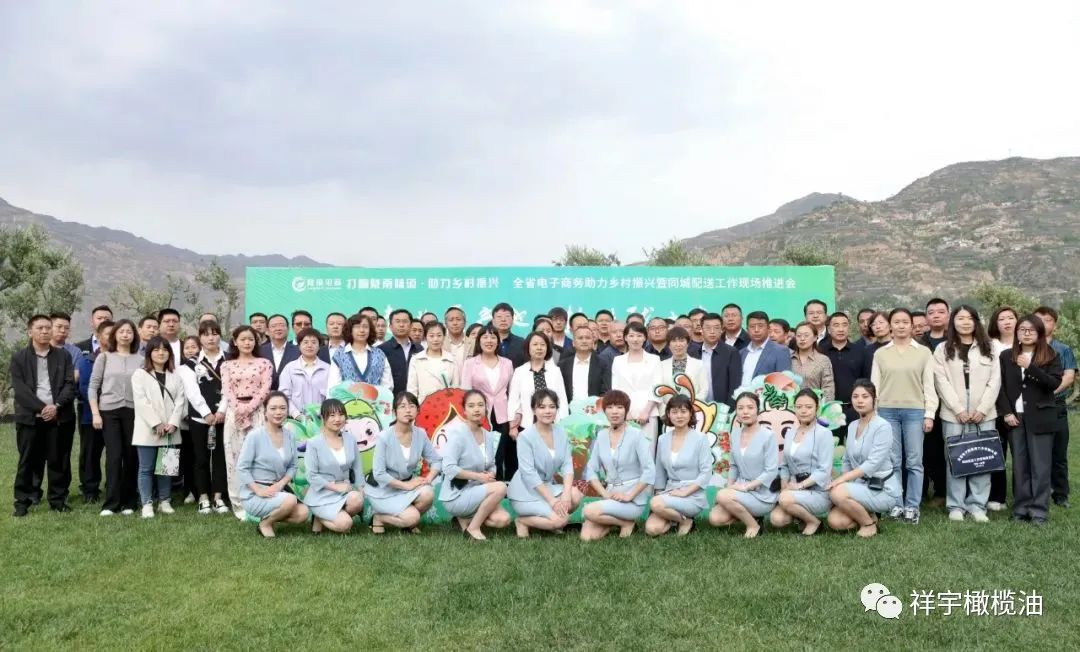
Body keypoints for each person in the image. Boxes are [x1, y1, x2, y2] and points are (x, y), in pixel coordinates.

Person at [933, 305, 1000, 522]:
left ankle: (977, 505)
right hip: (953, 413)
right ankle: (956, 505)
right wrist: (958, 409)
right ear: (953, 322)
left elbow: (995, 381)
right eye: (960, 318)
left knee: (982, 457)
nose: (965, 322)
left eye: (970, 318)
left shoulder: (989, 347)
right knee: (955, 458)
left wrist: (983, 409)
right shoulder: (942, 349)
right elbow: (941, 381)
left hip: (984, 412)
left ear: (976, 322)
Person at [871, 308, 937, 524]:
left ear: (912, 325)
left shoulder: (924, 352)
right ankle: (896, 504)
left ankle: (912, 506)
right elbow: (874, 386)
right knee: (893, 461)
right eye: (896, 322)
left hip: (915, 411)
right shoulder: (881, 354)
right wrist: (874, 413)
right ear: (890, 325)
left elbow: (929, 386)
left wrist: (929, 414)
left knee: (915, 461)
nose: (901, 326)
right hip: (886, 412)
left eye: (905, 322)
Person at [997, 315, 1064, 526]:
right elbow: (1000, 386)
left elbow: (1054, 383)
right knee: (1020, 465)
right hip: (1015, 417)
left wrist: (1031, 366)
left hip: (1040, 417)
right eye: (1022, 329)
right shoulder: (1006, 356)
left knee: (1040, 466)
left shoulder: (1050, 355)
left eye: (1031, 330)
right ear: (1016, 332)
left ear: (1039, 333)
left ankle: (1039, 511)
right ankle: (1021, 508)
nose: (1026, 333)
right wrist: (1006, 412)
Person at [10, 315, 77, 516]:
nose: (45, 331)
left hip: (58, 417)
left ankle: (57, 500)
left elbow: (69, 384)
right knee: (28, 461)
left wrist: (56, 406)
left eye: (48, 328)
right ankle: (22, 502)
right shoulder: (19, 358)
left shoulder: (63, 356)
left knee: (58, 460)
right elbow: (21, 391)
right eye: (40, 328)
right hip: (30, 418)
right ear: (30, 332)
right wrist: (42, 408)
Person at [826, 380, 899, 538]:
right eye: (855, 396)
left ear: (874, 400)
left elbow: (872, 464)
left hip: (883, 489)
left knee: (837, 492)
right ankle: (870, 516)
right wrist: (843, 481)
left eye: (865, 396)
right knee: (835, 521)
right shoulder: (852, 425)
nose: (860, 400)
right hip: (860, 486)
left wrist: (841, 481)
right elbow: (847, 460)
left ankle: (869, 525)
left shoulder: (883, 426)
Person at [507, 389, 584, 538]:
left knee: (575, 495)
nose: (547, 411)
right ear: (533, 410)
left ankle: (549, 520)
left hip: (547, 486)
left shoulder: (561, 432)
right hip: (525, 491)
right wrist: (553, 501)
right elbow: (529, 474)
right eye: (542, 407)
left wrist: (566, 494)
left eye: (552, 406)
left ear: (557, 409)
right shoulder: (525, 437)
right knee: (560, 521)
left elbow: (567, 464)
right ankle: (522, 521)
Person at [581, 390, 655, 540]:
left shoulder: (636, 435)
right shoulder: (601, 435)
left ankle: (626, 522)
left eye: (620, 407)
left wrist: (629, 496)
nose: (614, 412)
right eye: (610, 407)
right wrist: (605, 494)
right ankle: (622, 522)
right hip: (611, 495)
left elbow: (649, 471)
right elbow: (591, 470)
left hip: (633, 499)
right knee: (586, 537)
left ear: (626, 410)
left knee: (588, 511)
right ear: (604, 411)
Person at [439, 390, 512, 541]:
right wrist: (478, 477)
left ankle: (464, 520)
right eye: (471, 406)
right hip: (457, 495)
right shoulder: (457, 434)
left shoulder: (488, 435)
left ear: (486, 408)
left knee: (503, 519)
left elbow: (491, 464)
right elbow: (448, 468)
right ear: (464, 411)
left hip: (478, 491)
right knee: (501, 487)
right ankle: (473, 528)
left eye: (480, 405)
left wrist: (491, 474)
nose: (477, 409)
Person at [367, 392, 442, 533]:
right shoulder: (384, 437)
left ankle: (407, 521)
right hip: (383, 490)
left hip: (406, 487)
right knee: (413, 518)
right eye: (402, 406)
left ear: (417, 410)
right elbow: (379, 474)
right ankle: (379, 518)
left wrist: (428, 479)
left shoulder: (420, 434)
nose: (408, 410)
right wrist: (406, 485)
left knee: (428, 494)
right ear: (395, 412)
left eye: (412, 406)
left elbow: (436, 460)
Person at [89, 319, 143, 516]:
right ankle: (111, 503)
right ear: (115, 335)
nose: (125, 335)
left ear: (134, 336)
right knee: (114, 456)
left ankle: (129, 502)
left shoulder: (140, 360)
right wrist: (96, 413)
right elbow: (93, 386)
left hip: (133, 412)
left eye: (129, 331)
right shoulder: (104, 357)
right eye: (121, 331)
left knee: (131, 456)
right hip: (109, 412)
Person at [236, 392, 309, 536]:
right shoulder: (255, 436)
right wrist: (258, 490)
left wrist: (281, 484)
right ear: (265, 411)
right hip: (255, 494)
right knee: (290, 500)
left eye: (282, 408)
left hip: (277, 491)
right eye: (273, 408)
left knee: (303, 513)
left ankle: (268, 518)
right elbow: (242, 468)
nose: (278, 412)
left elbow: (293, 466)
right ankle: (265, 524)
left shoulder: (290, 435)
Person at [177, 320, 230, 515]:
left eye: (215, 334)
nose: (211, 338)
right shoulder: (189, 365)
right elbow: (192, 392)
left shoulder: (230, 360)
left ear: (220, 336)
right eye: (206, 334)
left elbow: (230, 389)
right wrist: (206, 413)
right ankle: (203, 497)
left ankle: (218, 497)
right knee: (200, 458)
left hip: (223, 417)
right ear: (200, 338)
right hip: (200, 419)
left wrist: (221, 411)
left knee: (220, 458)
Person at [709, 392, 779, 538]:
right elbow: (733, 465)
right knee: (715, 518)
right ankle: (751, 516)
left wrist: (745, 487)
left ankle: (753, 525)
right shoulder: (735, 434)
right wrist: (729, 487)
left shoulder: (768, 436)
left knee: (722, 496)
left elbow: (771, 471)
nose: (745, 412)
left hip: (762, 494)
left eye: (750, 407)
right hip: (740, 489)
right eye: (740, 408)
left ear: (758, 410)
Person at [222, 325, 273, 520]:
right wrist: (239, 409)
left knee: (258, 457)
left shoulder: (264, 363)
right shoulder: (227, 365)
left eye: (251, 339)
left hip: (258, 412)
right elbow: (227, 390)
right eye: (243, 339)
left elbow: (265, 388)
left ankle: (260, 501)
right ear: (235, 342)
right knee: (234, 458)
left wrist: (249, 408)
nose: (247, 342)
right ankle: (239, 504)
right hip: (234, 414)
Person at [131, 337, 186, 518]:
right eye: (156, 350)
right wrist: (156, 423)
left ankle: (165, 501)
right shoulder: (140, 375)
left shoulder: (175, 376)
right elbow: (141, 402)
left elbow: (180, 401)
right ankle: (147, 503)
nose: (161, 353)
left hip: (170, 430)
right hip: (148, 430)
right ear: (149, 353)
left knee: (166, 468)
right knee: (146, 468)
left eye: (164, 349)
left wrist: (173, 423)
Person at [770, 389, 835, 535]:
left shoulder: (824, 434)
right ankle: (802, 517)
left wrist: (799, 486)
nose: (803, 411)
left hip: (818, 492)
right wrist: (784, 486)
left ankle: (814, 522)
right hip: (794, 489)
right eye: (799, 407)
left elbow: (824, 470)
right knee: (777, 519)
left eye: (808, 407)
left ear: (817, 408)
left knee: (785, 499)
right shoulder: (790, 433)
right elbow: (784, 465)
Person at [645, 396, 712, 536]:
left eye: (683, 411)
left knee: (656, 504)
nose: (679, 416)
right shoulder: (663, 439)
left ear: (690, 413)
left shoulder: (700, 438)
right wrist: (659, 493)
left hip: (692, 495)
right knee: (652, 529)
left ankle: (685, 520)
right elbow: (660, 471)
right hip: (670, 492)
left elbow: (706, 473)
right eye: (674, 412)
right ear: (668, 414)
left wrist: (685, 492)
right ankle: (680, 519)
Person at [1034, 306, 1076, 509]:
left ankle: (1060, 493)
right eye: (1038, 319)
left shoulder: (1063, 349)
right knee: (1035, 453)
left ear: (1055, 325)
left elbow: (1068, 377)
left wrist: (1049, 393)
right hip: (1032, 407)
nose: (1043, 323)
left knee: (1059, 452)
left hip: (1056, 405)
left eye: (1048, 320)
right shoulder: (1026, 348)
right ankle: (1036, 490)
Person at [461, 323, 515, 480]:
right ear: (479, 341)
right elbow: (465, 392)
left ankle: (501, 486)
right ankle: (483, 485)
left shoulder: (507, 363)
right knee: (482, 454)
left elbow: (512, 392)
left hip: (502, 415)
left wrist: (514, 419)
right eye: (485, 337)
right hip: (479, 415)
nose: (489, 340)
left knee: (500, 454)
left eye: (493, 337)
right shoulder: (470, 363)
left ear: (498, 341)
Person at [303, 399, 365, 533]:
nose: (337, 419)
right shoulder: (314, 443)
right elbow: (311, 475)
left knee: (357, 500)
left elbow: (357, 467)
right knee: (345, 525)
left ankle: (328, 516)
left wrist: (361, 489)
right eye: (332, 415)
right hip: (322, 493)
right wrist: (335, 487)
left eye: (341, 414)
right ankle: (319, 516)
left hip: (344, 491)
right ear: (323, 418)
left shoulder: (350, 439)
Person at [508, 332, 570, 440]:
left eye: (543, 344)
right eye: (535, 344)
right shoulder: (519, 371)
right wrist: (512, 426)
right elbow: (513, 400)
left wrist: (564, 425)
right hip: (527, 425)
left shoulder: (555, 371)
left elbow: (562, 399)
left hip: (553, 426)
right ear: (528, 348)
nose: (539, 348)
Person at [987, 305, 1019, 510]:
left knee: (1021, 455)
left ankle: (1021, 496)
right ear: (995, 323)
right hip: (995, 408)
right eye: (1002, 319)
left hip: (1021, 408)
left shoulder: (1025, 345)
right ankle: (996, 497)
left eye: (1010, 317)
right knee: (997, 452)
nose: (1007, 322)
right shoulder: (990, 346)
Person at [611, 322, 664, 440]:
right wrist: (625, 411)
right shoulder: (618, 361)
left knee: (647, 448)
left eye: (639, 336)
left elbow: (657, 388)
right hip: (625, 414)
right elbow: (616, 389)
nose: (635, 339)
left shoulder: (654, 360)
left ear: (645, 338)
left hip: (648, 413)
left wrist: (646, 412)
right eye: (631, 336)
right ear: (625, 338)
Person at [820, 312, 868, 440]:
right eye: (836, 325)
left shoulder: (860, 351)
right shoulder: (820, 351)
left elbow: (867, 381)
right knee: (831, 446)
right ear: (829, 329)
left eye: (844, 325)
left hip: (855, 409)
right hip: (827, 410)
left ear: (849, 328)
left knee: (855, 445)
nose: (841, 329)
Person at [691, 312, 742, 407]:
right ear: (701, 329)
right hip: (697, 407)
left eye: (716, 328)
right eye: (708, 328)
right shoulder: (692, 353)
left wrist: (728, 409)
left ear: (722, 330)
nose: (712, 331)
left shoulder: (731, 352)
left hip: (722, 408)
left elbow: (735, 385)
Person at [330, 314, 393, 390]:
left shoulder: (379, 354)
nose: (362, 330)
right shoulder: (339, 355)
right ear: (350, 330)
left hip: (377, 397)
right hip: (345, 398)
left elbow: (387, 386)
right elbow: (333, 386)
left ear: (370, 330)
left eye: (365, 327)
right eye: (357, 327)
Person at [279, 327, 329, 419]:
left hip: (321, 419)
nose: (309, 345)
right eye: (305, 342)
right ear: (299, 345)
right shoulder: (290, 368)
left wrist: (318, 414)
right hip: (295, 420)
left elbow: (331, 395)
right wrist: (297, 415)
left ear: (319, 346)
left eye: (314, 342)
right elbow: (284, 395)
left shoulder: (327, 369)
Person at [407, 322, 460, 403]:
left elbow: (456, 387)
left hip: (446, 405)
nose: (435, 339)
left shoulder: (451, 359)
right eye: (431, 336)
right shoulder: (416, 359)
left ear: (444, 337)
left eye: (439, 335)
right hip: (423, 405)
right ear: (425, 337)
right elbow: (412, 389)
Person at [558, 324, 611, 402]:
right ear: (573, 343)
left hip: (594, 408)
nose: (584, 341)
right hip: (569, 408)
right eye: (580, 338)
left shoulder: (603, 364)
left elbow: (605, 391)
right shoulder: (563, 365)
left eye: (588, 338)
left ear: (593, 342)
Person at [739, 311, 793, 385]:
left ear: (768, 328)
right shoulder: (741, 353)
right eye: (752, 326)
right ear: (747, 330)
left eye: (760, 326)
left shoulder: (781, 351)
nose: (756, 330)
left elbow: (784, 384)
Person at [378, 309, 420, 396]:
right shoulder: (381, 350)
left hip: (416, 399)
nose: (401, 325)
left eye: (405, 321)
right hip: (391, 399)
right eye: (397, 321)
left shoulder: (419, 349)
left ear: (411, 326)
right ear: (390, 326)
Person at [789, 322, 835, 401]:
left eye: (806, 335)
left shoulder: (823, 360)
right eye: (799, 336)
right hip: (791, 406)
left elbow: (828, 389)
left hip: (815, 405)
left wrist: (824, 406)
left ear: (815, 337)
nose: (802, 339)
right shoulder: (788, 359)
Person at [660, 326, 707, 402]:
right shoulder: (661, 365)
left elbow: (704, 391)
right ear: (668, 345)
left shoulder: (699, 364)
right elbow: (658, 390)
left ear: (687, 343)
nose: (678, 344)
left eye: (681, 341)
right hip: (667, 408)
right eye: (674, 341)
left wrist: (689, 405)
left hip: (692, 407)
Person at [258, 314, 299, 391]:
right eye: (273, 326)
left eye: (281, 325)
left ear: (288, 328)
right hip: (265, 396)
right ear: (267, 330)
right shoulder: (259, 351)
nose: (278, 328)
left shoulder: (299, 351)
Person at [492, 303, 526, 369]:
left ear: (512, 320)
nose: (503, 320)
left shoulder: (522, 343)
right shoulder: (487, 342)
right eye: (499, 317)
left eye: (507, 316)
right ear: (493, 321)